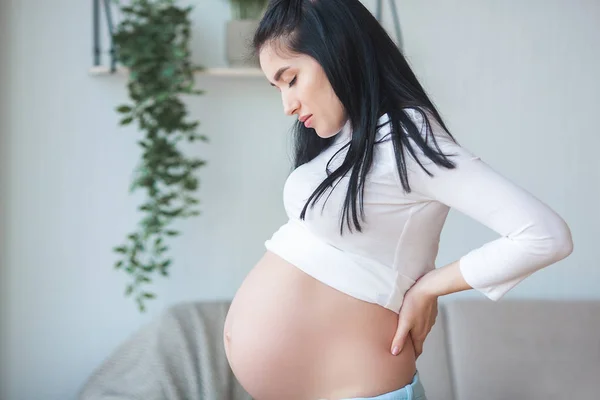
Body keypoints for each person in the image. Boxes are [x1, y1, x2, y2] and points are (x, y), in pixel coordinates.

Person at [223, 0, 574, 399]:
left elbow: (545, 236)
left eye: (291, 79)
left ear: (338, 51)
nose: (287, 105)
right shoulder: (345, 138)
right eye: (277, 88)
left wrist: (429, 287)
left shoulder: (408, 138)